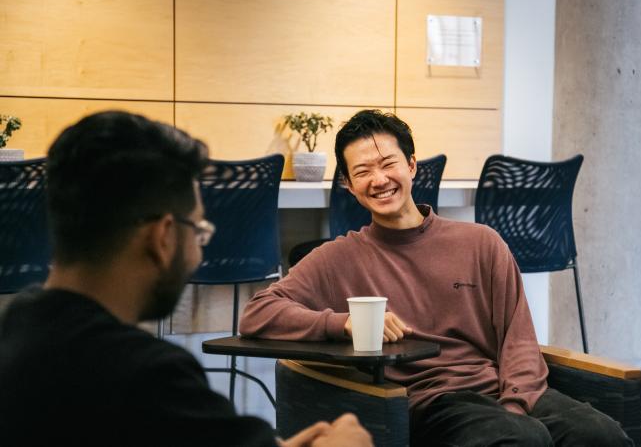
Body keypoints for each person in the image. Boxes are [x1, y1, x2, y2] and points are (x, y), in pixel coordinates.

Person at [239, 109, 633, 446]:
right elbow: (257, 314)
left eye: (388, 163)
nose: (379, 179)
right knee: (521, 439)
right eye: (362, 171)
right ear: (349, 186)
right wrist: (341, 323)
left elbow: (518, 339)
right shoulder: (339, 257)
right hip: (429, 401)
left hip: (497, 387)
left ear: (411, 166)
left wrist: (516, 403)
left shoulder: (481, 243)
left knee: (601, 435)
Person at [0, 111, 372, 447]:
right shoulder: (147, 378)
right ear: (162, 238)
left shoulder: (18, 328)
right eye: (198, 232)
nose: (196, 252)